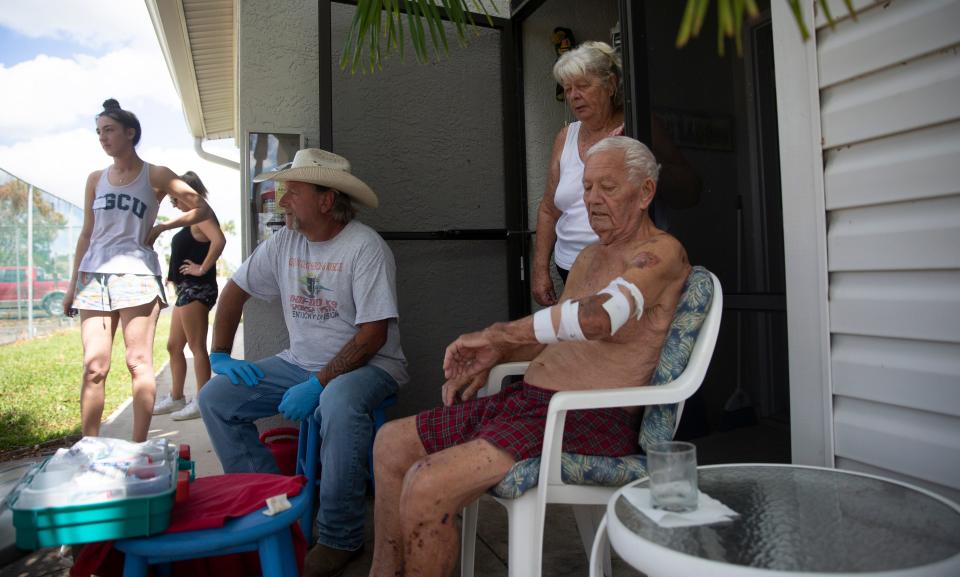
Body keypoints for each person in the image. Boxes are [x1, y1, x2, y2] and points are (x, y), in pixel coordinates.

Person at [369, 136, 690, 577]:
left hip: (587, 419)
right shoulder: (589, 257)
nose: (593, 200)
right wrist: (497, 353)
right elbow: (554, 334)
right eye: (588, 188)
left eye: (608, 188)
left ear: (646, 193)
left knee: (428, 483)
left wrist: (499, 334)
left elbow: (600, 318)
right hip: (530, 406)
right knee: (390, 443)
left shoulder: (662, 253)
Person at [197, 148, 407, 577]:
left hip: (371, 365)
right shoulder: (283, 243)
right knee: (216, 398)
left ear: (327, 200)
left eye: (292, 190)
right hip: (300, 362)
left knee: (338, 402)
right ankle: (269, 509)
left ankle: (338, 536)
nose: (282, 199)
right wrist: (220, 355)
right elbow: (234, 293)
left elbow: (373, 336)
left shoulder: (366, 248)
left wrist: (320, 383)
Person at [63, 98, 211, 443]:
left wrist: (161, 228)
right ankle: (90, 445)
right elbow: (87, 232)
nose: (103, 137)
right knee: (95, 366)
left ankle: (137, 445)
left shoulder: (155, 174)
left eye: (109, 130)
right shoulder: (95, 179)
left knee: (138, 361)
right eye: (99, 132)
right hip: (93, 277)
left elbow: (201, 208)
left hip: (137, 275)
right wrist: (73, 286)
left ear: (131, 133)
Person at [532, 41, 701, 307]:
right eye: (568, 89)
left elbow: (690, 189)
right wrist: (540, 269)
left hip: (627, 266)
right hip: (571, 269)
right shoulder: (566, 136)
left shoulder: (638, 127)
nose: (574, 95)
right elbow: (548, 209)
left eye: (583, 86)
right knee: (579, 342)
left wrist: (642, 161)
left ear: (610, 85)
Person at [153, 171, 225, 421]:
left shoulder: (202, 214)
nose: (174, 203)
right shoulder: (192, 217)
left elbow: (219, 240)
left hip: (197, 288)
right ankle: (176, 398)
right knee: (174, 346)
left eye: (176, 198)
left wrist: (201, 268)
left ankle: (201, 401)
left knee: (196, 347)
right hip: (186, 289)